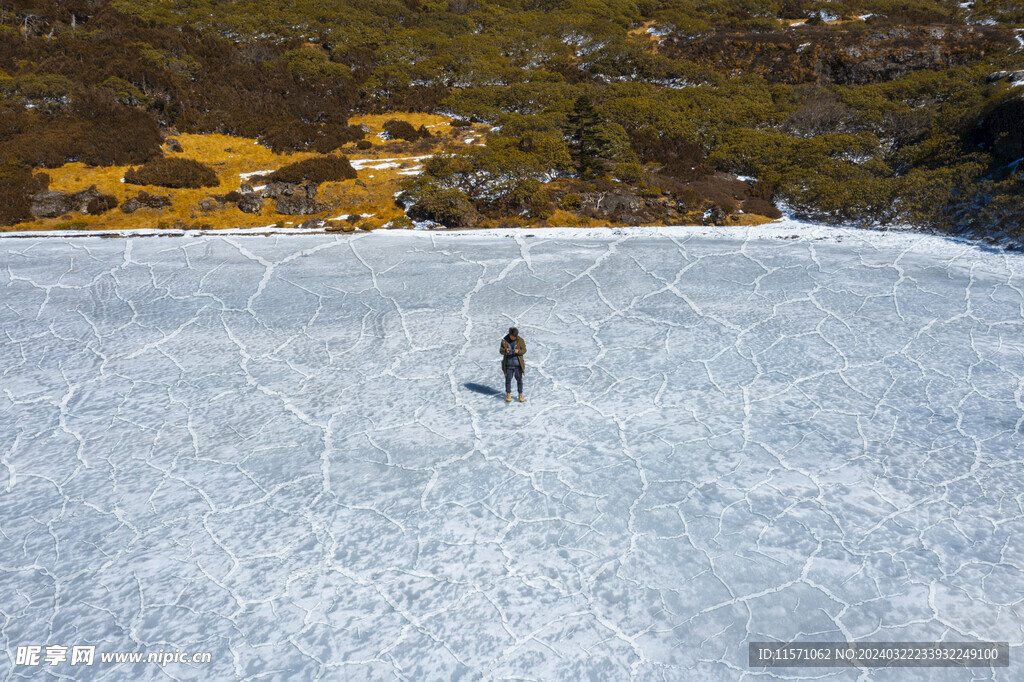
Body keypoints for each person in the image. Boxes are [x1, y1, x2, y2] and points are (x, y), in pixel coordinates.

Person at [500, 326, 526, 402]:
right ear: (510, 334)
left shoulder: (520, 340)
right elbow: (501, 351)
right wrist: (505, 350)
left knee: (519, 380)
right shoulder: (504, 341)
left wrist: (519, 351)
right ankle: (508, 394)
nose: (514, 338)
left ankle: (520, 394)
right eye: (513, 336)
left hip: (518, 365)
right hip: (508, 365)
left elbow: (524, 350)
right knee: (508, 380)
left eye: (515, 336)